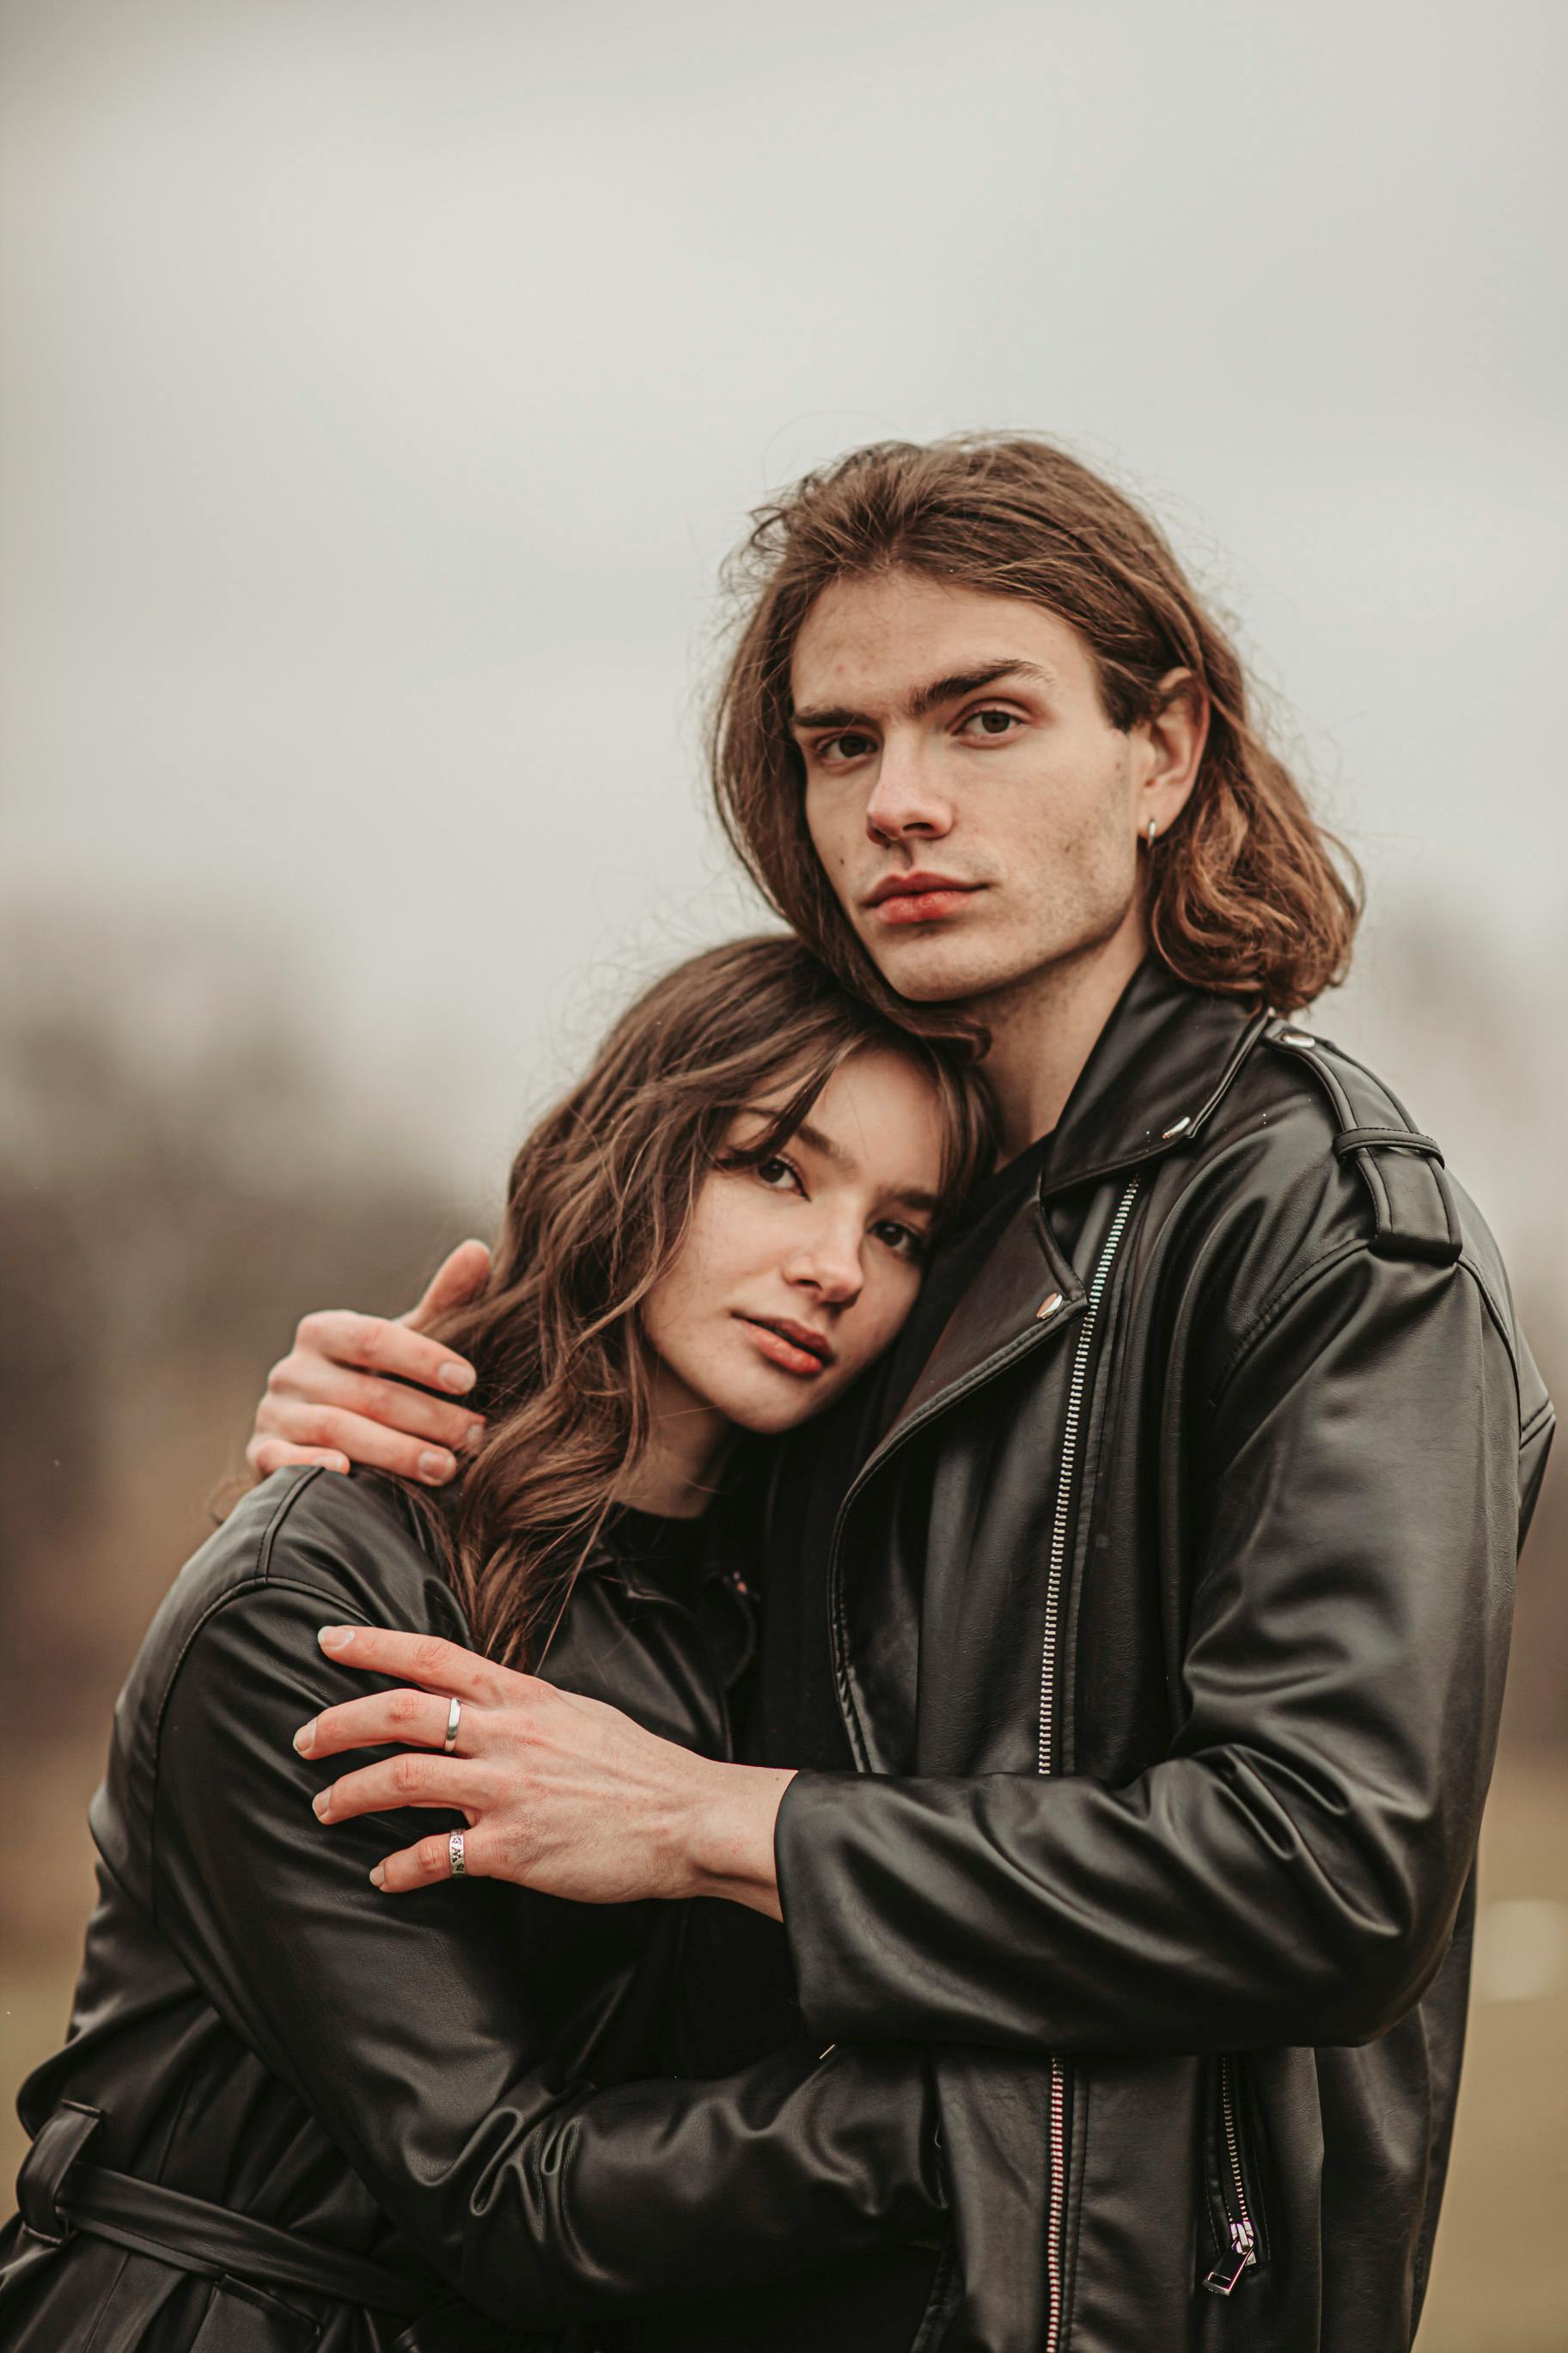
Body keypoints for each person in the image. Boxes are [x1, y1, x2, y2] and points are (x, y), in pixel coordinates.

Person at [252, 435, 1553, 2353]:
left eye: (984, 717)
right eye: (840, 743)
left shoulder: (1332, 1231)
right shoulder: (865, 1252)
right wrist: (373, 1482)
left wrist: (726, 1823)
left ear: (1164, 748)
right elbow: (597, 1695)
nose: (900, 803)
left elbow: (1326, 1869)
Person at [0, 936, 993, 2352]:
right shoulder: (323, 1594)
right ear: (633, 1154)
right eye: (774, 1166)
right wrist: (988, 2108)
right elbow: (502, 2191)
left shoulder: (786, 1610)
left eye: (900, 1228)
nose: (833, 1265)